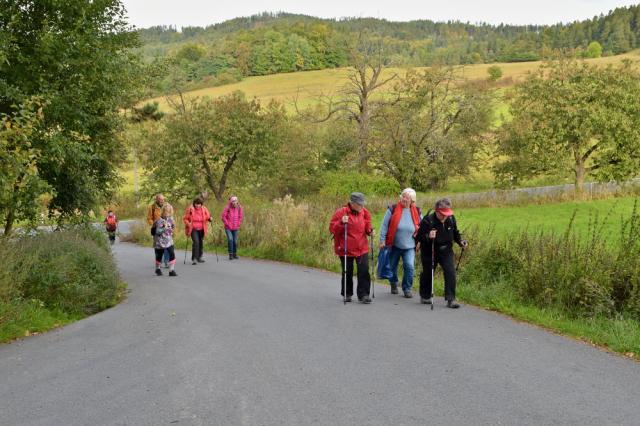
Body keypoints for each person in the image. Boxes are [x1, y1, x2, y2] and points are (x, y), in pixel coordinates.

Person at [415, 198, 468, 309]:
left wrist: (460, 242)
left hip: (446, 250)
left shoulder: (451, 219)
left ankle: (451, 299)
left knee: (450, 272)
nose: (445, 216)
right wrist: (428, 236)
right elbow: (418, 237)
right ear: (437, 211)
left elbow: (455, 233)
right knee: (428, 273)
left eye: (447, 214)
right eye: (443, 214)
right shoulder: (428, 220)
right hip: (430, 251)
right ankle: (425, 295)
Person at [329, 192, 374, 304]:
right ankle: (347, 293)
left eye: (362, 204)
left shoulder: (364, 212)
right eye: (360, 204)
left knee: (363, 271)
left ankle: (364, 295)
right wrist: (341, 222)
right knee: (347, 272)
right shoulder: (341, 212)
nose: (362, 206)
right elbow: (332, 229)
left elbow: (367, 227)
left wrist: (370, 232)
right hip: (345, 249)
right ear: (352, 203)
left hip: (361, 247)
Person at [379, 188, 421, 298]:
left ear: (412, 200)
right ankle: (393, 283)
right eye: (402, 196)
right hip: (394, 245)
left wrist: (420, 241)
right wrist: (382, 240)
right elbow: (384, 226)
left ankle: (407, 288)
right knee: (392, 267)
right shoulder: (392, 209)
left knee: (409, 266)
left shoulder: (417, 211)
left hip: (410, 246)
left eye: (407, 197)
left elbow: (422, 228)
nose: (404, 199)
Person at [183, 197, 212, 265]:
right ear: (194, 204)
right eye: (196, 204)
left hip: (202, 229)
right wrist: (188, 223)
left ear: (201, 204)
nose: (198, 205)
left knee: (200, 242)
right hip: (193, 229)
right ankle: (194, 258)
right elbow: (185, 218)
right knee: (196, 242)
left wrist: (210, 219)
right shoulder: (190, 209)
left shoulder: (204, 209)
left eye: (199, 204)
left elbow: (208, 216)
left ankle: (199, 257)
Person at [153, 203, 177, 276]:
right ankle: (158, 269)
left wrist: (173, 227)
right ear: (163, 211)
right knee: (159, 256)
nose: (168, 213)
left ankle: (171, 270)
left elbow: (172, 228)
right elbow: (157, 231)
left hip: (169, 240)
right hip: (159, 241)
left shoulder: (170, 219)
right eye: (167, 212)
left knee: (172, 253)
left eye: (170, 212)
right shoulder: (159, 220)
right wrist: (164, 228)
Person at [147, 193, 170, 268]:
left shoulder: (167, 206)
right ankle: (159, 261)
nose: (161, 201)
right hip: (156, 229)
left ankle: (166, 261)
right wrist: (153, 223)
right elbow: (149, 218)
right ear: (156, 199)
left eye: (163, 199)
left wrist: (169, 223)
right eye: (160, 199)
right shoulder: (152, 207)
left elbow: (170, 214)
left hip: (165, 229)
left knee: (167, 245)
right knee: (158, 246)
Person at [221, 195, 244, 260]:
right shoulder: (227, 208)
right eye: (233, 201)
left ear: (237, 201)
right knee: (230, 240)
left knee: (235, 241)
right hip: (228, 227)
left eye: (235, 201)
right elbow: (223, 217)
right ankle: (230, 254)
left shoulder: (239, 207)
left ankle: (235, 254)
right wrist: (227, 224)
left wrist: (238, 224)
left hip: (235, 227)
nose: (234, 202)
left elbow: (240, 217)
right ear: (231, 202)